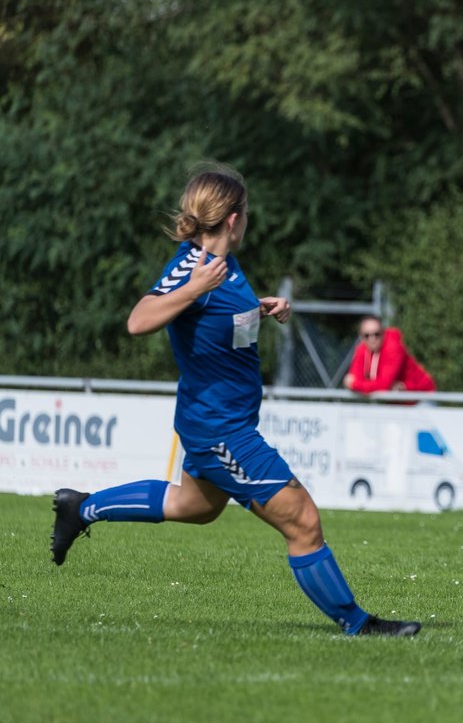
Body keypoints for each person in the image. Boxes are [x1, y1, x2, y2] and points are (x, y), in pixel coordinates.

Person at [49, 165, 420, 638]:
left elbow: (214, 314)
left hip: (218, 419)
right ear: (232, 218)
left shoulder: (225, 267)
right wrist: (193, 289)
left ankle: (80, 508)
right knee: (303, 519)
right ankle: (358, 624)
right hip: (222, 429)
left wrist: (259, 308)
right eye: (246, 213)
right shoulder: (195, 268)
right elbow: (138, 321)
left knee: (194, 506)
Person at [343, 316, 437, 394]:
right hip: (396, 403)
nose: (372, 339)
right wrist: (363, 384)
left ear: (383, 332)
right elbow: (356, 377)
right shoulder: (361, 349)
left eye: (377, 334)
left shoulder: (393, 348)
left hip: (420, 399)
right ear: (361, 337)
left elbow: (383, 385)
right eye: (367, 335)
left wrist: (355, 384)